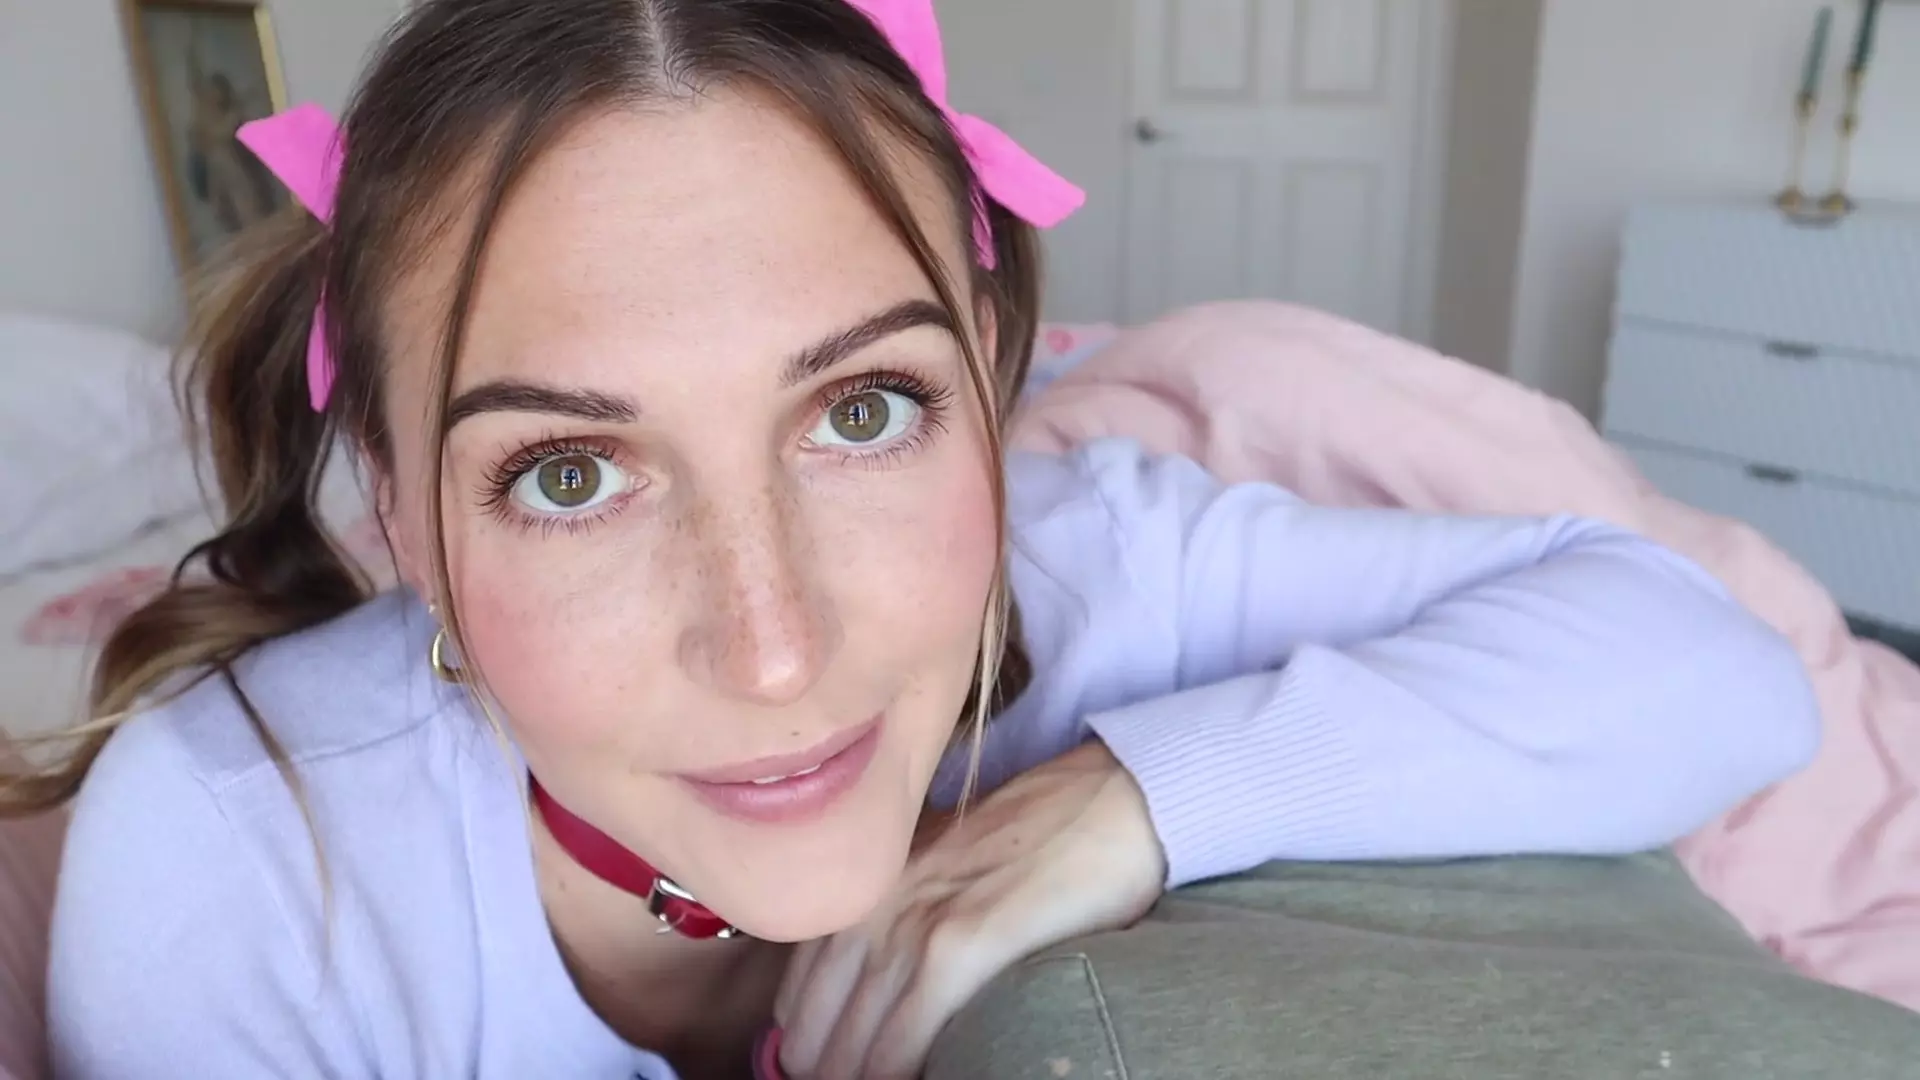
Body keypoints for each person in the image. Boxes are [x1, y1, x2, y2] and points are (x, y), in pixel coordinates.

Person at [20, 1, 1820, 1077]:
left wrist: (1136, 801)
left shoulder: (1097, 562)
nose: (775, 648)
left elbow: (1718, 669)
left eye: (863, 411)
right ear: (402, 513)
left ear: (989, 378)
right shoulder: (235, 876)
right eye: (571, 475)